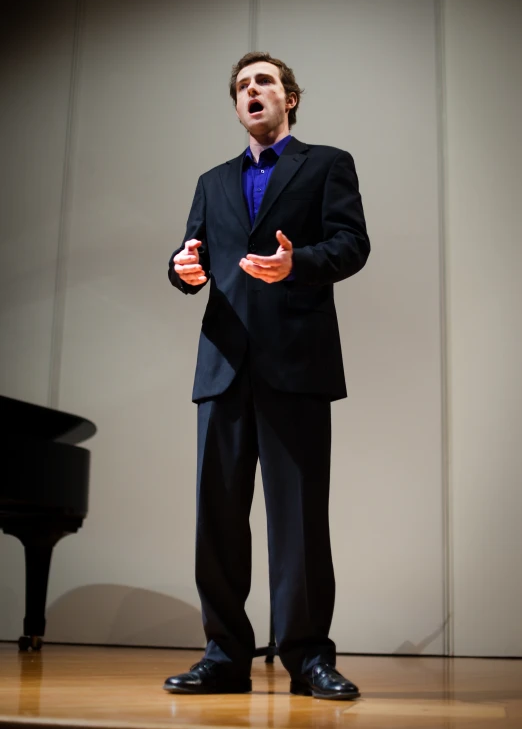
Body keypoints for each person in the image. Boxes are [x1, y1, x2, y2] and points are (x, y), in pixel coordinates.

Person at [164, 52, 370, 700]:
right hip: (223, 367)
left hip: (297, 362)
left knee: (299, 520)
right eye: (243, 86)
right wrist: (180, 268)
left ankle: (307, 656)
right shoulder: (212, 180)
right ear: (237, 106)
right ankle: (225, 654)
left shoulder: (328, 165)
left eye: (265, 82)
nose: (253, 91)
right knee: (217, 518)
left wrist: (297, 263)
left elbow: (352, 243)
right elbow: (189, 254)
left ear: (291, 99)